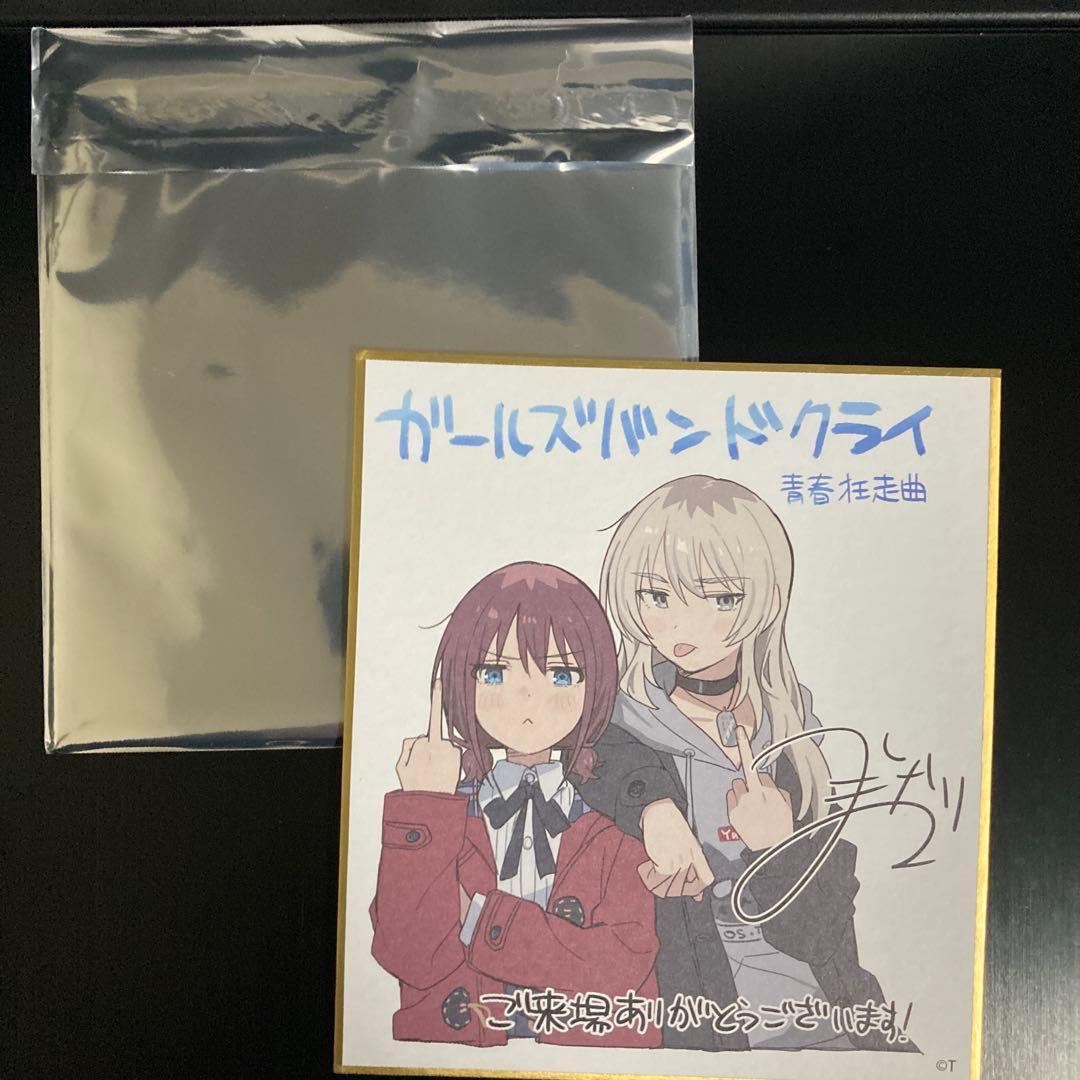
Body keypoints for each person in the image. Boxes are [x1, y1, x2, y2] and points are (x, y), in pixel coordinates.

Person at [576, 475, 913, 1052]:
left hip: (829, 1015)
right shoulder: (623, 726)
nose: (680, 627)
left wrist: (779, 848)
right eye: (657, 596)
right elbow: (594, 761)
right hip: (715, 1025)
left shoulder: (792, 727)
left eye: (720, 598)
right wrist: (655, 811)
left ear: (764, 599)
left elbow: (823, 936)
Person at [370, 561, 661, 1048]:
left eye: (562, 675)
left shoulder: (613, 821)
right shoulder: (443, 815)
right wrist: (422, 805)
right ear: (457, 686)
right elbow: (408, 954)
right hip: (461, 1054)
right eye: (494, 672)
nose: (528, 697)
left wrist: (479, 920)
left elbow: (620, 966)